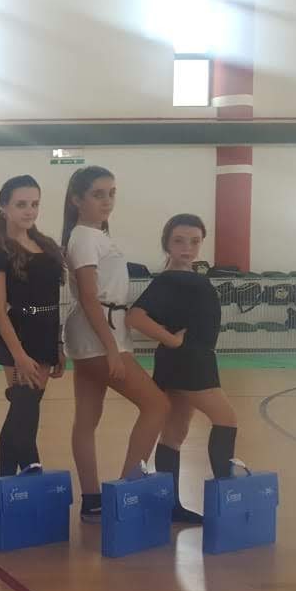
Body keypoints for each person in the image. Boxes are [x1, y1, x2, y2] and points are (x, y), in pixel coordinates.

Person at [62, 166, 170, 522]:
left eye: (111, 193)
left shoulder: (95, 235)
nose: (107, 201)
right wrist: (111, 347)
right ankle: (126, 490)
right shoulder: (84, 237)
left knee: (86, 419)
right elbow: (89, 297)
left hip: (97, 331)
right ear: (77, 199)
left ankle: (93, 500)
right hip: (99, 334)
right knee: (157, 405)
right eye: (98, 194)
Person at [127, 214, 237, 523]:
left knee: (175, 433)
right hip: (191, 360)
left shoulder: (184, 277)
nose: (187, 247)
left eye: (194, 241)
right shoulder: (172, 278)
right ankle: (226, 501)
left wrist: (171, 343)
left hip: (183, 360)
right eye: (179, 241)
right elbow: (135, 317)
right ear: (167, 243)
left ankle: (171, 505)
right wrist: (172, 341)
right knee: (226, 419)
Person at [0, 175, 66, 477]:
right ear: (4, 207)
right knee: (24, 413)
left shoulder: (46, 245)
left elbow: (53, 299)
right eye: (21, 204)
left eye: (34, 204)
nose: (29, 211)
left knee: (24, 415)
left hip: (46, 336)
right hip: (19, 337)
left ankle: (10, 483)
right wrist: (18, 355)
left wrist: (58, 345)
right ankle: (23, 477)